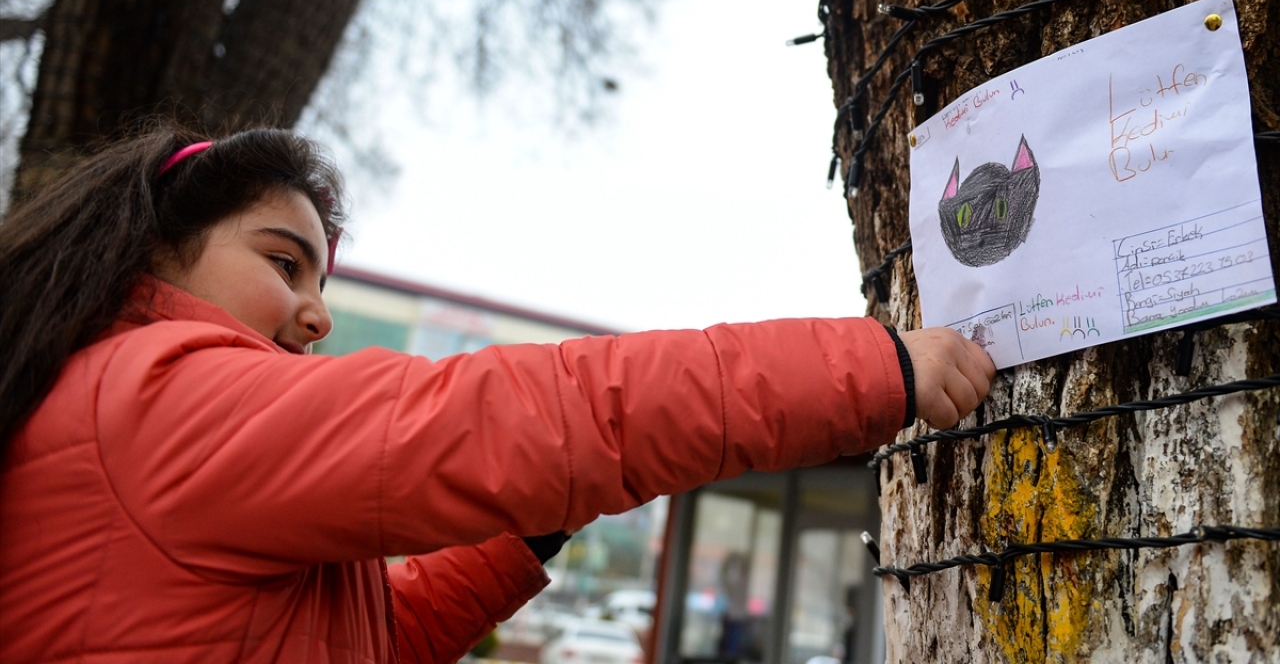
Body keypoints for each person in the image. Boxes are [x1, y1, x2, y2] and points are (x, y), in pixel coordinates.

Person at [0, 123, 995, 663]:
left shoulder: (113, 417)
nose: (315, 314)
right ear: (159, 245)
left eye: (320, 281)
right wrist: (873, 366)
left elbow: (367, 639)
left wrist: (521, 537)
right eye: (283, 262)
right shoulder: (153, 397)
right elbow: (513, 415)